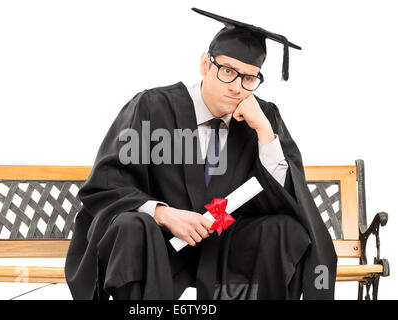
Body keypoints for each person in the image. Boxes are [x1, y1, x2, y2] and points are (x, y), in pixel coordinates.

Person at [65, 7, 337, 300]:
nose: (237, 87)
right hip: (161, 244)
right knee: (131, 226)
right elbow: (107, 184)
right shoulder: (152, 107)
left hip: (225, 246)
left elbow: (284, 198)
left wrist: (264, 131)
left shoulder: (263, 116)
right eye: (228, 71)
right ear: (205, 64)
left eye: (250, 78)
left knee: (285, 230)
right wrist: (163, 213)